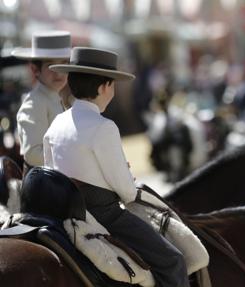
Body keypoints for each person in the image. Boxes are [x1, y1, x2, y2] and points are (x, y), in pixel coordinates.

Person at [43, 47, 189, 287]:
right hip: (105, 216)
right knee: (173, 260)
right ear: (103, 87)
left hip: (62, 214)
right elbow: (128, 193)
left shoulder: (57, 122)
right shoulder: (104, 126)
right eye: (113, 84)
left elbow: (52, 171)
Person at [13, 31, 71, 173]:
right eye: (51, 66)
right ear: (35, 69)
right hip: (44, 187)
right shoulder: (34, 103)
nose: (58, 73)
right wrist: (73, 157)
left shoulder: (55, 98)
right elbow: (33, 155)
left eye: (63, 65)